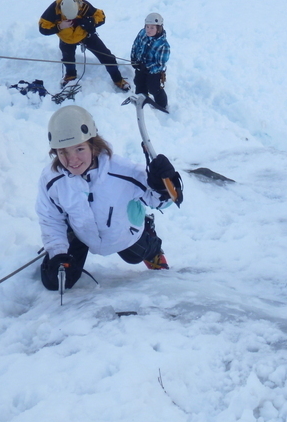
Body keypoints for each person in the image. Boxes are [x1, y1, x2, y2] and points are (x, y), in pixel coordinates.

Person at [35, 105, 184, 290]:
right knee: (56, 281)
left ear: (93, 145)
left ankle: (150, 244)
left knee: (134, 255)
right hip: (80, 233)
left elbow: (160, 201)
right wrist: (57, 252)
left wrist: (162, 185)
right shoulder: (52, 180)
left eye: (79, 149)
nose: (72, 160)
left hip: (121, 233)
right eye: (63, 152)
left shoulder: (123, 172)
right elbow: (50, 218)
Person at [38, 0, 130, 92]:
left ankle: (118, 79)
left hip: (85, 35)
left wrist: (89, 22)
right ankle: (70, 75)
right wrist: (59, 26)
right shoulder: (54, 9)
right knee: (68, 58)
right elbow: (43, 28)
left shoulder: (84, 6)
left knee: (106, 56)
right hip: (66, 38)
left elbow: (101, 17)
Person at [130, 12, 170, 110]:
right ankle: (141, 101)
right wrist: (134, 59)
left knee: (154, 88)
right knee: (139, 82)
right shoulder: (142, 33)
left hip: (153, 71)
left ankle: (162, 105)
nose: (148, 30)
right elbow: (135, 45)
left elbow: (160, 64)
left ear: (158, 28)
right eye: (147, 26)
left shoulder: (163, 45)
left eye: (152, 28)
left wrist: (148, 67)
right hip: (140, 65)